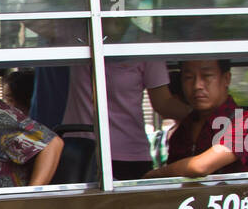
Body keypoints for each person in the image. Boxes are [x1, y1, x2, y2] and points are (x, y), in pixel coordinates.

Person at [62, 60, 191, 180]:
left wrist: (200, 113)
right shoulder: (77, 42)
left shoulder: (145, 48)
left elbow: (163, 104)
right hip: (78, 150)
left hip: (129, 155)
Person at [145, 59, 248, 178]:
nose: (197, 85)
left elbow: (200, 167)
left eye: (207, 76)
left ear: (226, 79)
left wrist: (155, 174)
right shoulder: (184, 128)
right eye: (188, 77)